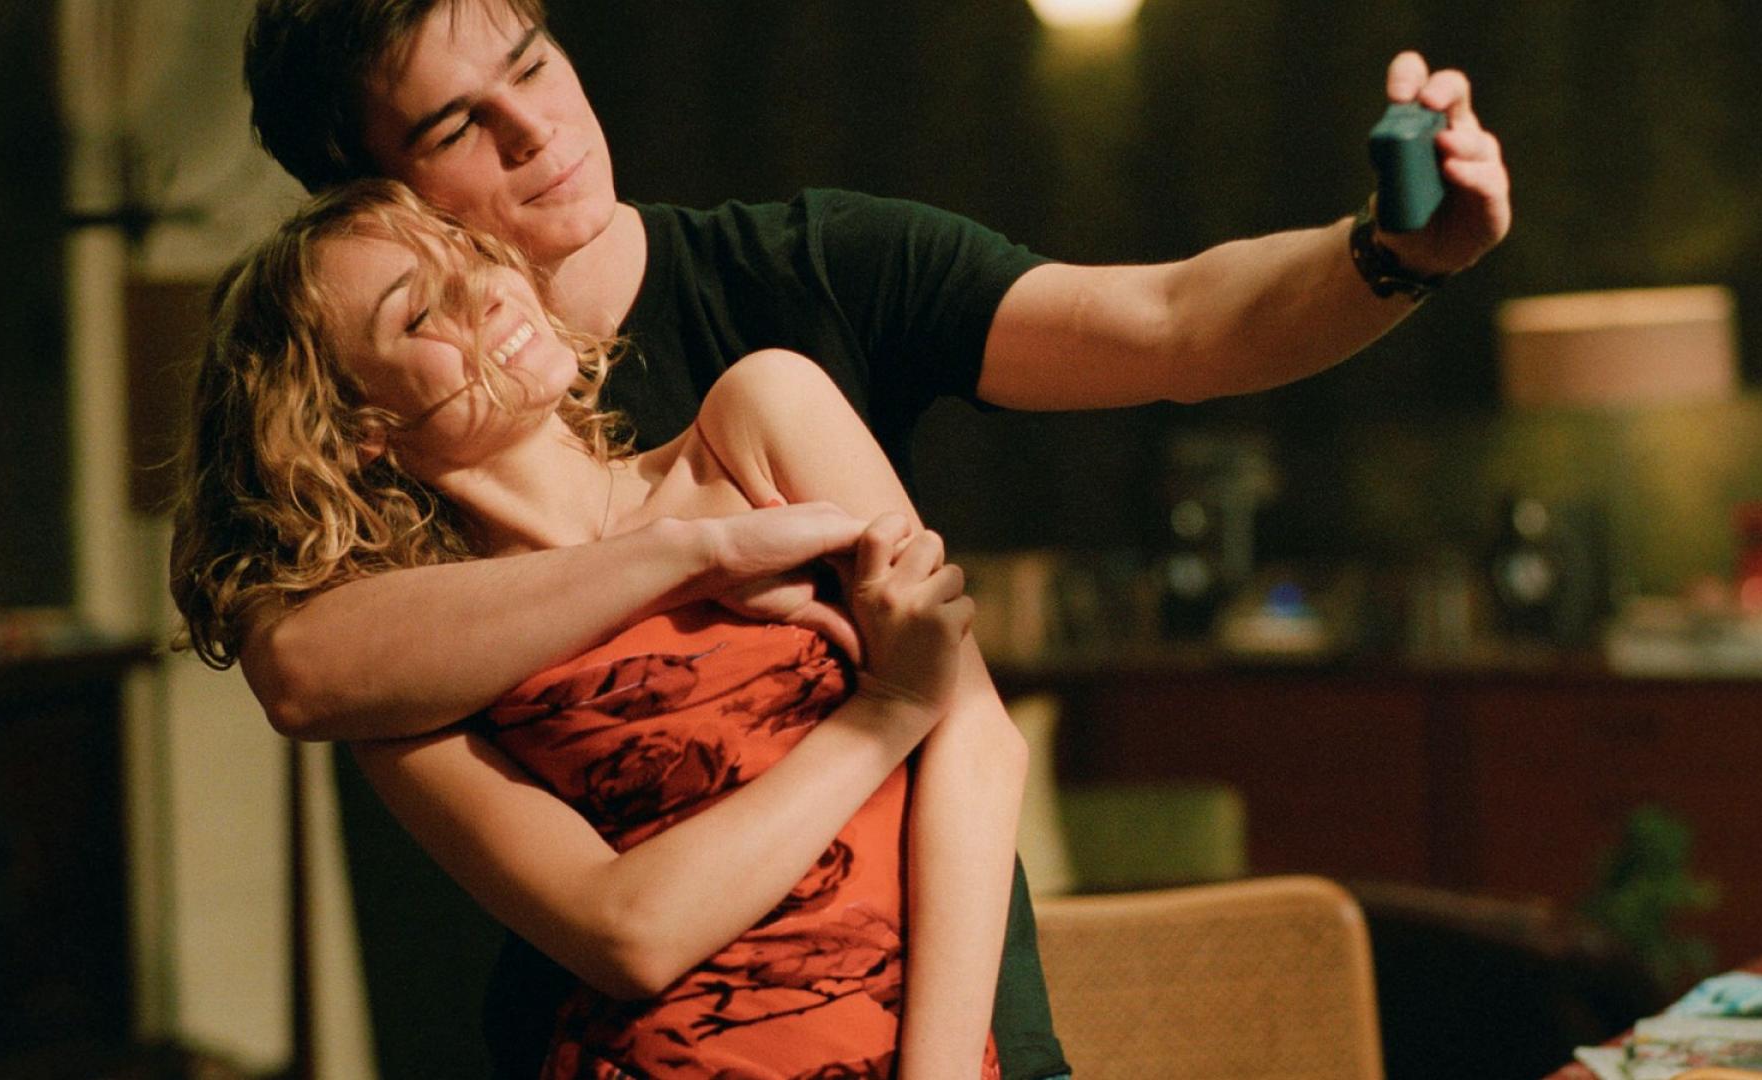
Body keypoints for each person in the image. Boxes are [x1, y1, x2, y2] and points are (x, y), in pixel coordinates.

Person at [234, 2, 1511, 1077]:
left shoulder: (798, 295)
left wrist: (1388, 256)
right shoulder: (373, 505)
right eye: (456, 124)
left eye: (531, 62)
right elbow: (301, 670)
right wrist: (694, 556)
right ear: (366, 192)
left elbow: (1172, 322)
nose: (534, 127)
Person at [172, 177, 1028, 1078]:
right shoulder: (412, 668)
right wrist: (885, 704)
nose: (484, 293)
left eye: (470, 255)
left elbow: (978, 747)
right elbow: (631, 935)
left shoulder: (754, 423)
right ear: (359, 428)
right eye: (420, 312)